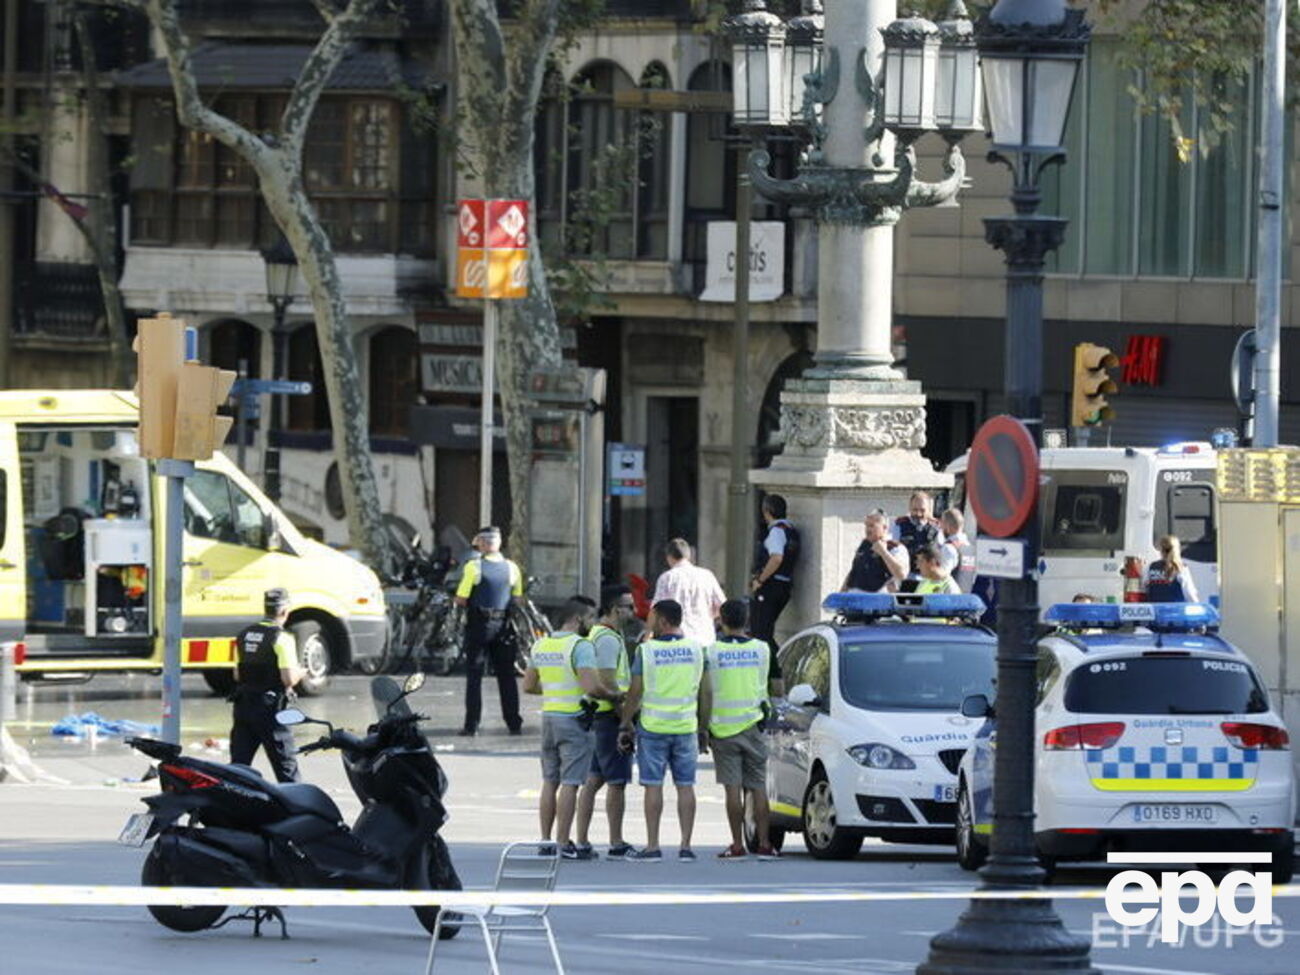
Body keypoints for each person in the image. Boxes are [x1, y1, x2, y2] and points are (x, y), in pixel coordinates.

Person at [521, 596, 622, 860]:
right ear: (578, 619)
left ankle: (545, 840)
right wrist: (612, 695)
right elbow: (591, 687)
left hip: (550, 718)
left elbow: (529, 685)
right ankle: (564, 843)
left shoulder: (541, 644)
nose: (592, 623)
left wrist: (555, 688)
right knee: (570, 783)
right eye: (590, 618)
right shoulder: (581, 646)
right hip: (575, 720)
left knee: (549, 781)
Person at [620, 599, 706, 862]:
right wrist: (703, 727)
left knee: (653, 786)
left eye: (652, 617)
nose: (648, 621)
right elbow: (705, 691)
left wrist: (625, 723)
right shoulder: (697, 650)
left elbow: (635, 692)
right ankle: (686, 846)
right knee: (685, 786)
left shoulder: (646, 651)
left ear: (663, 621)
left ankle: (653, 846)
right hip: (685, 726)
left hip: (653, 727)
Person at [699, 599, 784, 861]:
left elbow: (706, 692)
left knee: (732, 790)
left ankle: (737, 845)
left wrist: (703, 728)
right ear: (747, 619)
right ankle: (765, 844)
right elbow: (779, 689)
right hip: (753, 725)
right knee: (758, 787)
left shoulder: (710, 652)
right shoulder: (763, 649)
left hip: (722, 729)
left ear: (721, 621)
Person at [574, 585, 637, 860]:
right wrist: (625, 718)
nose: (634, 612)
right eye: (629, 606)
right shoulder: (609, 639)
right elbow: (609, 679)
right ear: (614, 609)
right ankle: (616, 841)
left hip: (597, 716)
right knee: (617, 781)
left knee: (594, 779)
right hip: (609, 716)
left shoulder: (599, 634)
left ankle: (583, 840)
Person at [454, 526, 524, 736]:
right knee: (507, 677)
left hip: (479, 626)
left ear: (483, 544)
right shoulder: (512, 568)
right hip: (503, 627)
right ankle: (514, 723)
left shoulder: (473, 567)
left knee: (475, 676)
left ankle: (472, 725)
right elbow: (518, 598)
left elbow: (461, 598)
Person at [230, 588, 303, 783]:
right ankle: (296, 810)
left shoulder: (243, 634)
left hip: (243, 707)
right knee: (286, 769)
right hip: (271, 711)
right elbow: (288, 678)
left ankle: (229, 809)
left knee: (238, 768)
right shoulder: (282, 638)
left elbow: (237, 674)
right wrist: (301, 673)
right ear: (285, 611)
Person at [651, 538, 725, 648]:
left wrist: (649, 634)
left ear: (669, 557)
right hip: (705, 640)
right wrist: (708, 615)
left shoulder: (667, 578)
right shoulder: (707, 575)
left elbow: (656, 611)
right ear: (688, 555)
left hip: (678, 644)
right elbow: (722, 607)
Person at [749, 494, 799, 654]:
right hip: (783, 586)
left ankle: (778, 669)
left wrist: (760, 580)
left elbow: (776, 558)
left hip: (771, 587)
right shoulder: (792, 531)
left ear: (767, 511)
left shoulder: (776, 532)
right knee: (765, 632)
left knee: (760, 634)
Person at [842, 511, 909, 593]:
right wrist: (842, 593)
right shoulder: (864, 545)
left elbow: (901, 574)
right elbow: (854, 572)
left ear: (884, 527)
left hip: (878, 600)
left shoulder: (895, 547)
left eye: (871, 526)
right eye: (866, 525)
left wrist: (883, 552)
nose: (867, 529)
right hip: (855, 599)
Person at [895, 491, 942, 576]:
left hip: (928, 579)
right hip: (905, 578)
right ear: (909, 508)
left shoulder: (937, 529)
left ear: (929, 510)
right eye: (915, 510)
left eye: (922, 510)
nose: (918, 514)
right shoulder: (899, 526)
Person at [1145, 535, 1200, 603]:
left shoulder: (1151, 567)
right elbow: (1189, 594)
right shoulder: (1181, 569)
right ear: (1177, 550)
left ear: (1161, 550)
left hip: (1156, 611)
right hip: (1176, 611)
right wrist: (1198, 607)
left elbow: (1145, 589)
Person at [938, 508, 975, 593]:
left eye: (942, 524)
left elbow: (943, 576)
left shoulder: (949, 548)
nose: (940, 527)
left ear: (947, 526)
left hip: (951, 599)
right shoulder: (970, 548)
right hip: (966, 597)